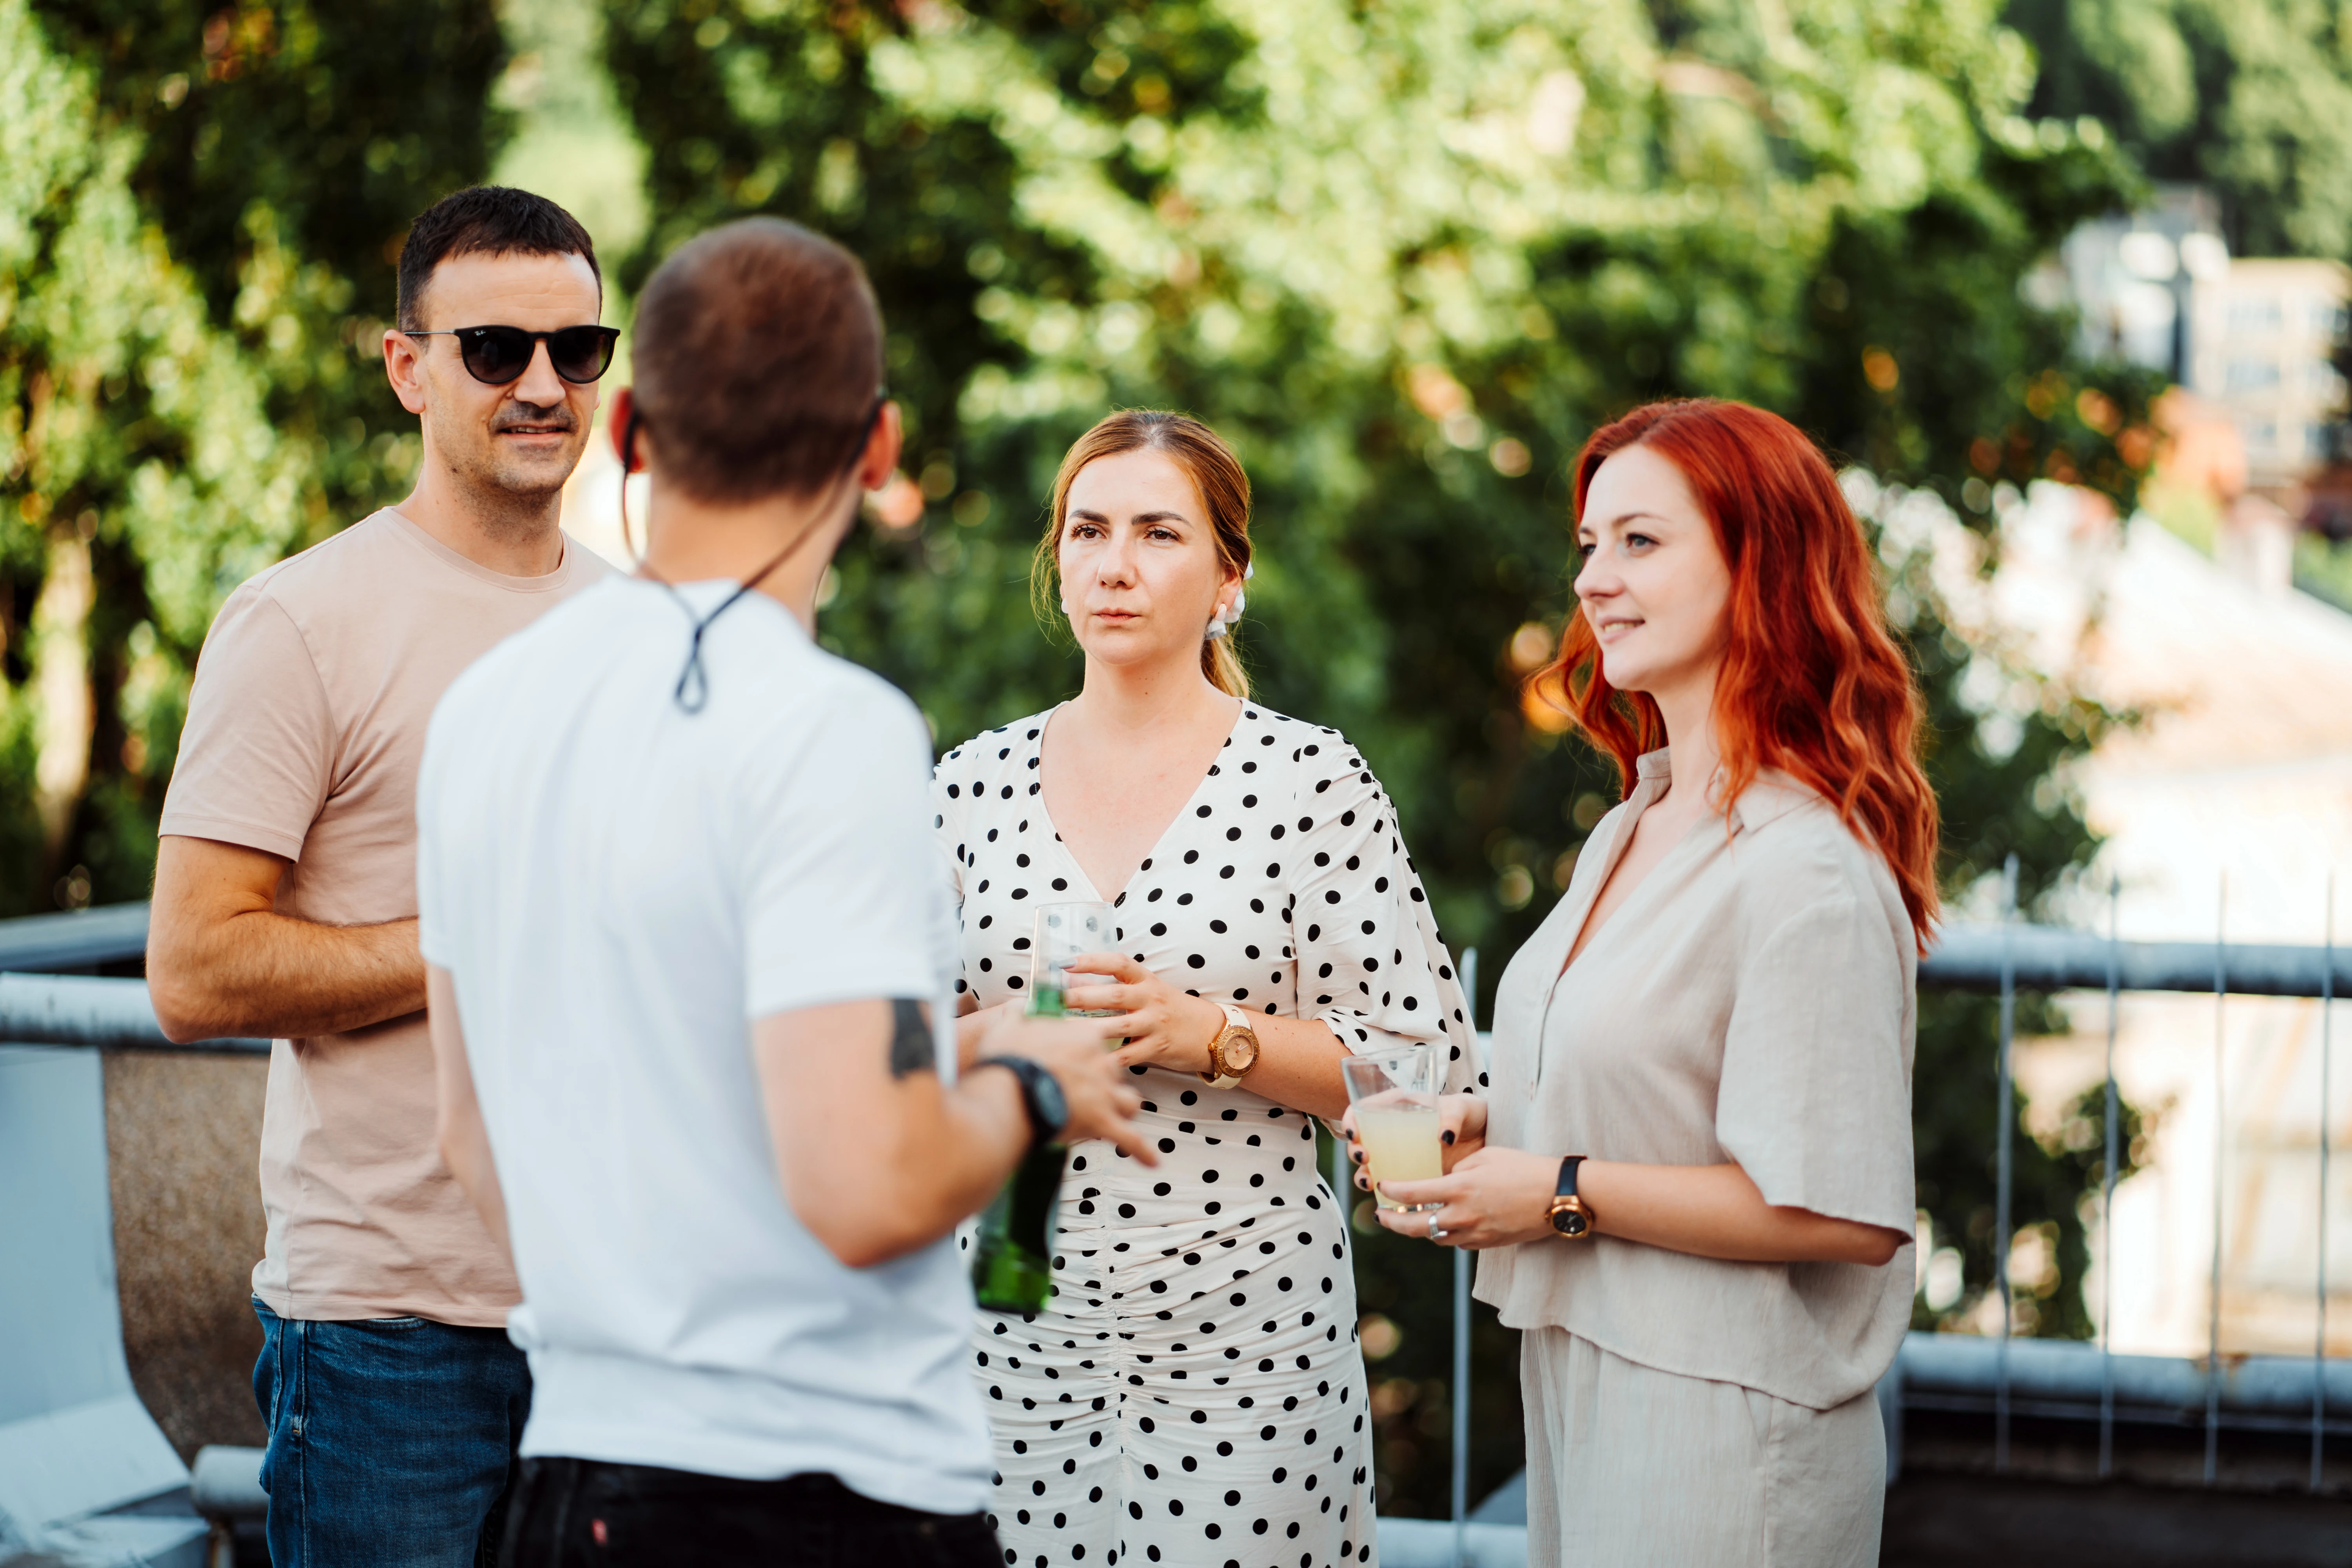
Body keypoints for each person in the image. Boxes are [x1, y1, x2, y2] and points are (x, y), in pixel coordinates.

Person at [415, 217, 1153, 1568]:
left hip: (573, 1482)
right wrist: (1032, 1087)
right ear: (877, 449)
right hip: (823, 1492)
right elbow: (867, 1187)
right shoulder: (835, 728)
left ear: (629, 428)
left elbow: (472, 1136)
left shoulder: (484, 713)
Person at [1350, 397, 1927, 1568]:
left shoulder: (1806, 865)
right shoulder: (1636, 824)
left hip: (1727, 1433)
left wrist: (1559, 1190)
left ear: (1760, 564)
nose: (1593, 580)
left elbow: (1843, 1212)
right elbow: (1660, 1095)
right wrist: (1487, 1127)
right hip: (1584, 1381)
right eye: (1588, 545)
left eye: (1640, 541)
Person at [147, 186, 615, 1567]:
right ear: (408, 367)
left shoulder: (651, 635)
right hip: (386, 1342)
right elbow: (193, 969)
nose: (543, 386)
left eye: (577, 350)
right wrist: (479, 935)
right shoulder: (301, 622)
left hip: (620, 1326)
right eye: (496, 350)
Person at [933, 409, 1477, 1568]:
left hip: (1250, 1333)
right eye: (1088, 530)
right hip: (1011, 1322)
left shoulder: (1310, 781)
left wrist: (1214, 1035)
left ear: (1231, 577)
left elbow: (1421, 1068)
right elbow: (871, 1051)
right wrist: (991, 1038)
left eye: (1158, 533)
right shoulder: (971, 786)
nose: (1114, 563)